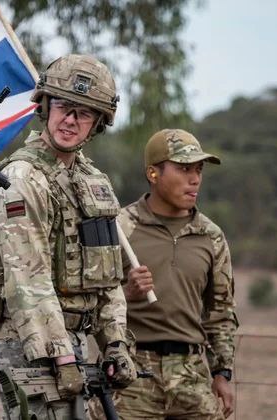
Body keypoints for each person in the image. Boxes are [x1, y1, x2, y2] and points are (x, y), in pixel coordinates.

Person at [0, 54, 136, 419]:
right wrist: (61, 355)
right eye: (63, 106)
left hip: (75, 339)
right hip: (29, 341)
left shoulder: (92, 181)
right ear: (46, 107)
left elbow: (107, 275)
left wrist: (115, 343)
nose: (71, 120)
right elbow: (26, 276)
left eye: (84, 112)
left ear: (98, 122)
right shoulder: (22, 178)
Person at [114, 128, 238, 419]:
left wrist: (222, 373)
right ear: (153, 173)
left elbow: (220, 312)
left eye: (199, 170)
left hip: (191, 376)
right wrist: (126, 293)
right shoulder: (120, 228)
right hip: (131, 376)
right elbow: (93, 301)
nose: (195, 179)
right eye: (184, 169)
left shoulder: (211, 236)